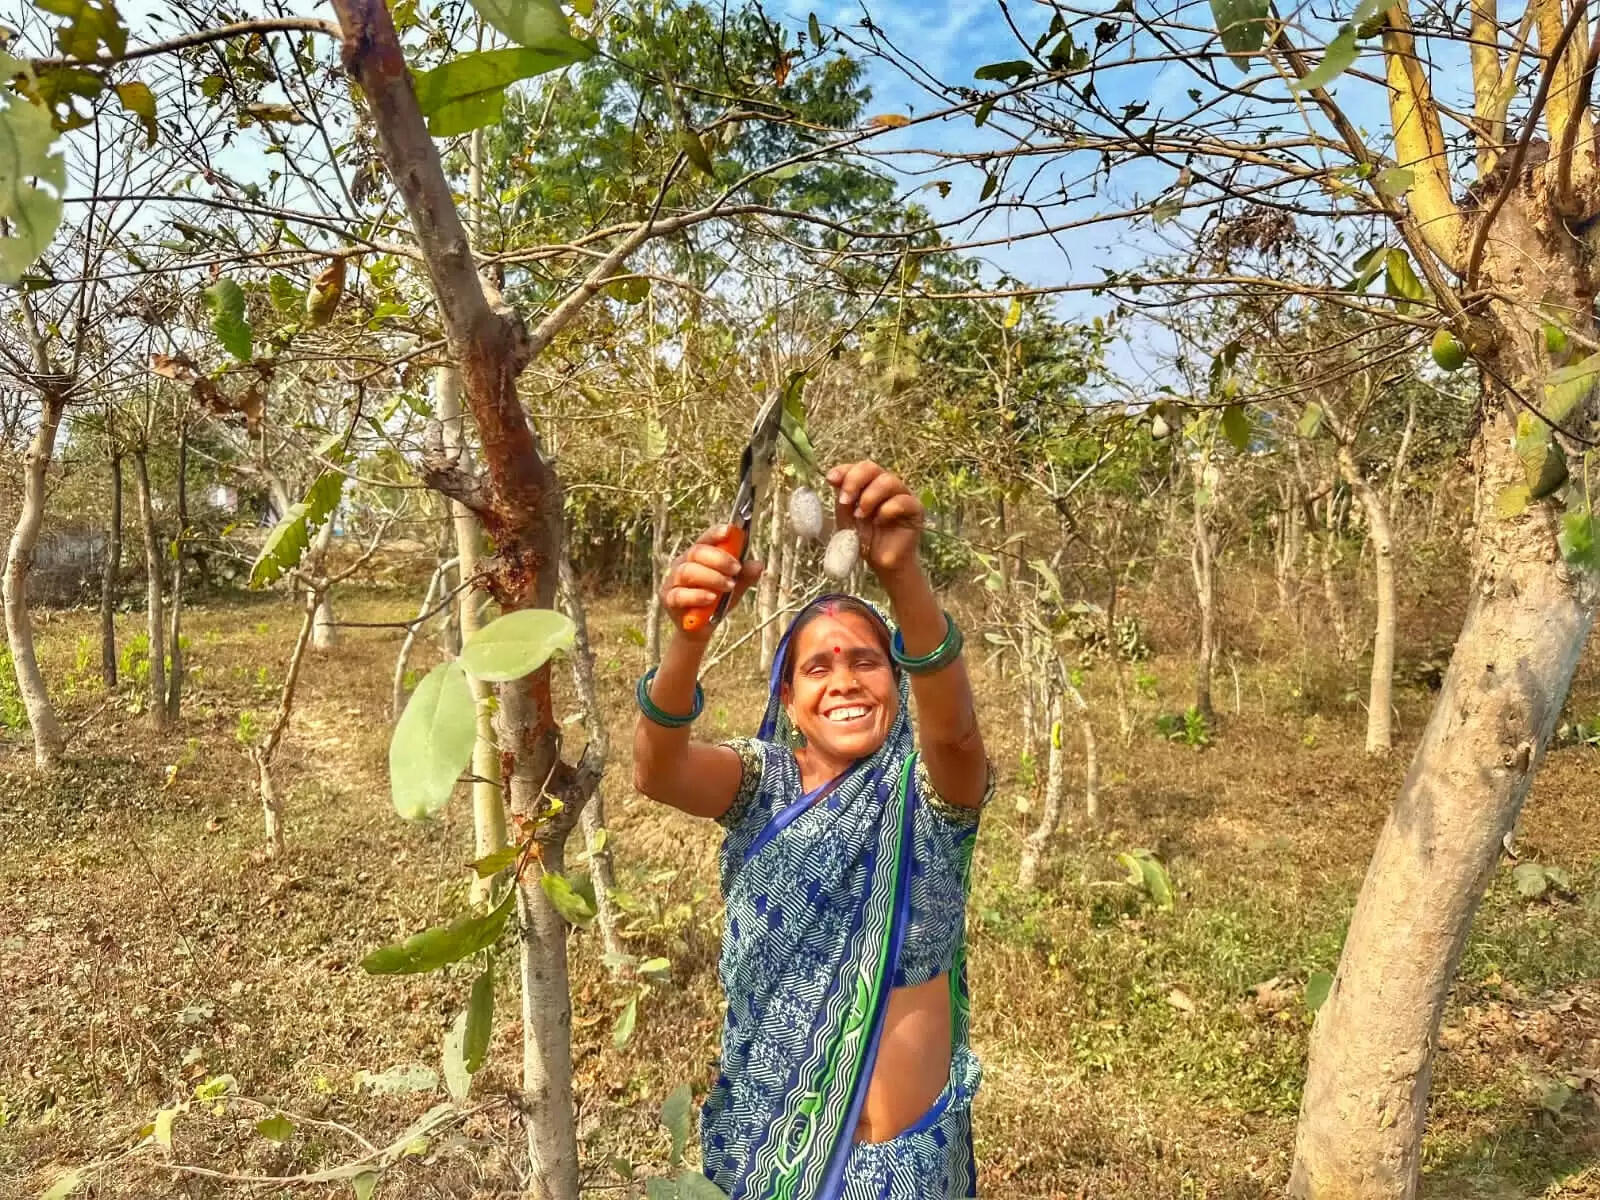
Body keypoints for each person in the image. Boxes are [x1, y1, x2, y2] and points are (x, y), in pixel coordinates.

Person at [633, 460, 992, 1200]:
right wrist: (690, 638)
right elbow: (658, 771)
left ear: (898, 684)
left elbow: (956, 736)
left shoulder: (927, 794)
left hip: (905, 1172)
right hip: (769, 1157)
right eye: (818, 668)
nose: (845, 680)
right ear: (790, 701)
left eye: (867, 661)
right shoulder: (761, 783)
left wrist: (902, 575)